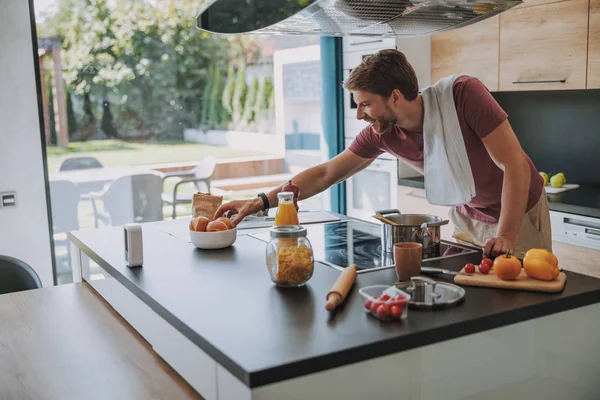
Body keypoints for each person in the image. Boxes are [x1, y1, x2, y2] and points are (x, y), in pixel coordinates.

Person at [214, 49, 552, 258]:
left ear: (394, 96)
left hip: (519, 211)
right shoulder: (383, 134)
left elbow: (515, 165)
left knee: (522, 300)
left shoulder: (463, 96)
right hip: (468, 212)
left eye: (364, 104)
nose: (360, 115)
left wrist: (506, 235)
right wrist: (259, 201)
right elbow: (325, 173)